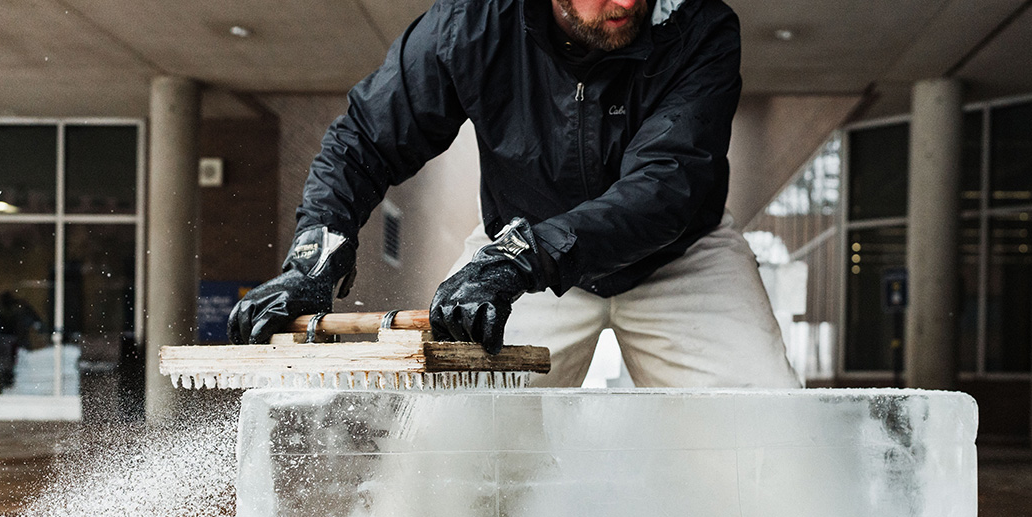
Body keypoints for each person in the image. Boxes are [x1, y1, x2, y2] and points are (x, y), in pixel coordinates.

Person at [228, 0, 800, 389]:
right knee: (442, 459)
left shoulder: (698, 24)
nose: (628, 1)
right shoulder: (471, 23)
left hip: (680, 256)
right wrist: (315, 253)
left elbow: (665, 187)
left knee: (772, 445)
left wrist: (525, 257)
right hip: (515, 249)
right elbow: (365, 138)